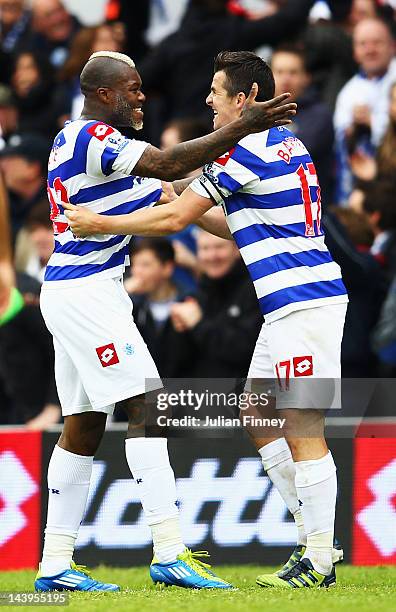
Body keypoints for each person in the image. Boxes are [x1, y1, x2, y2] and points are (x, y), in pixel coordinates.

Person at [66, 50, 348, 590]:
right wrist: (178, 193)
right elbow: (233, 224)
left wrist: (99, 220)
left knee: (302, 425)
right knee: (257, 411)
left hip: (304, 301)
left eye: (216, 92)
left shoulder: (249, 149)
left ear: (244, 101)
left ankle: (319, 559)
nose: (208, 101)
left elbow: (177, 221)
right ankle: (315, 539)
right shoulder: (284, 144)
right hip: (292, 303)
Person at [170, 229, 262, 378]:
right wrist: (179, 329)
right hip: (202, 396)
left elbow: (246, 350)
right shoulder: (199, 293)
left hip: (246, 395)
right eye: (205, 249)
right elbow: (179, 362)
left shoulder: (255, 290)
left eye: (219, 247)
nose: (212, 256)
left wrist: (197, 324)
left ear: (237, 250)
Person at [333, 18, 396, 202]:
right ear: (355, 52)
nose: (370, 49)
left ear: (392, 46)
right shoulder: (348, 92)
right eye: (363, 44)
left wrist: (372, 121)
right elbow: (340, 143)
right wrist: (352, 129)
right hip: (362, 182)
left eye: (377, 42)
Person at [271, 45, 334, 204]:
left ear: (306, 77)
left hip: (309, 211)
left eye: (293, 72)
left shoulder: (319, 116)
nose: (286, 79)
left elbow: (295, 159)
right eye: (279, 72)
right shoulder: (258, 116)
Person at [126, 238, 193, 378]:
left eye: (145, 265)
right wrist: (124, 295)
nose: (137, 272)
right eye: (135, 265)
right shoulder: (131, 307)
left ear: (167, 268)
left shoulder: (189, 302)